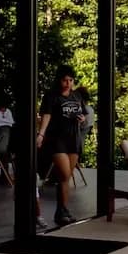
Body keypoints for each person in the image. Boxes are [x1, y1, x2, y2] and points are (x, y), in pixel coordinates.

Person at [36, 70, 90, 225]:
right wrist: (41, 135)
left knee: (65, 178)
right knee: (64, 174)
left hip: (74, 139)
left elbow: (84, 114)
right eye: (65, 80)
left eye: (71, 80)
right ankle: (61, 210)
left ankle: (62, 210)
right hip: (57, 139)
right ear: (59, 80)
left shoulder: (77, 96)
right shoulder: (51, 96)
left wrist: (82, 119)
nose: (68, 84)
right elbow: (46, 116)